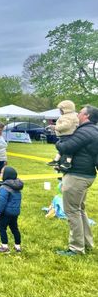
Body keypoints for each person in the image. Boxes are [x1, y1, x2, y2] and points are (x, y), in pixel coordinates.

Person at [55, 105, 98, 256]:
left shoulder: (85, 131)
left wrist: (58, 140)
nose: (77, 114)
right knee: (79, 209)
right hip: (85, 175)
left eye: (80, 112)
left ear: (86, 116)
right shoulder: (92, 130)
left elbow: (66, 147)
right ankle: (87, 242)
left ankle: (76, 248)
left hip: (77, 176)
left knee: (72, 211)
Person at [0, 166, 23, 253]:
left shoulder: (4, 187)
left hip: (6, 213)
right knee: (14, 229)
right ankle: (18, 246)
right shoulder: (17, 186)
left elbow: (2, 201)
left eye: (2, 172)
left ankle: (4, 247)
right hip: (15, 212)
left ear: (6, 175)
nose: (0, 174)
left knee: (2, 228)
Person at [46, 100, 79, 170]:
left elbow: (66, 125)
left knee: (67, 149)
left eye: (60, 109)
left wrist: (55, 127)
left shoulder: (67, 116)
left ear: (65, 109)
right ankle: (56, 160)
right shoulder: (72, 115)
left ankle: (67, 162)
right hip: (66, 135)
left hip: (67, 135)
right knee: (62, 149)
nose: (59, 111)